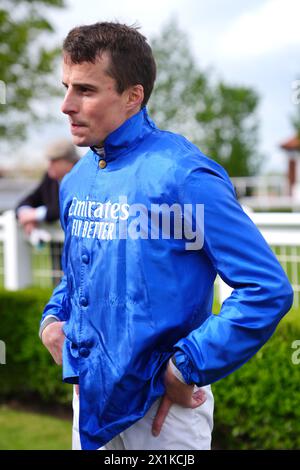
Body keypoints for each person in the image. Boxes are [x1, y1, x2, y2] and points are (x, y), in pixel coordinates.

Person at [39, 22, 294, 451]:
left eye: (84, 90)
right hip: (90, 401)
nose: (66, 105)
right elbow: (79, 273)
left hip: (164, 415)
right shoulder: (77, 179)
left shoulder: (184, 175)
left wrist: (185, 366)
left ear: (133, 96)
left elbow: (266, 288)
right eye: (65, 87)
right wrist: (52, 318)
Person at [16, 139, 79, 285]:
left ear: (68, 161)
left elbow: (68, 206)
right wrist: (26, 214)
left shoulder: (85, 175)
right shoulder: (50, 178)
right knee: (58, 285)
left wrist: (35, 215)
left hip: (81, 251)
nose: (49, 165)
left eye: (54, 160)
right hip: (58, 252)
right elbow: (29, 199)